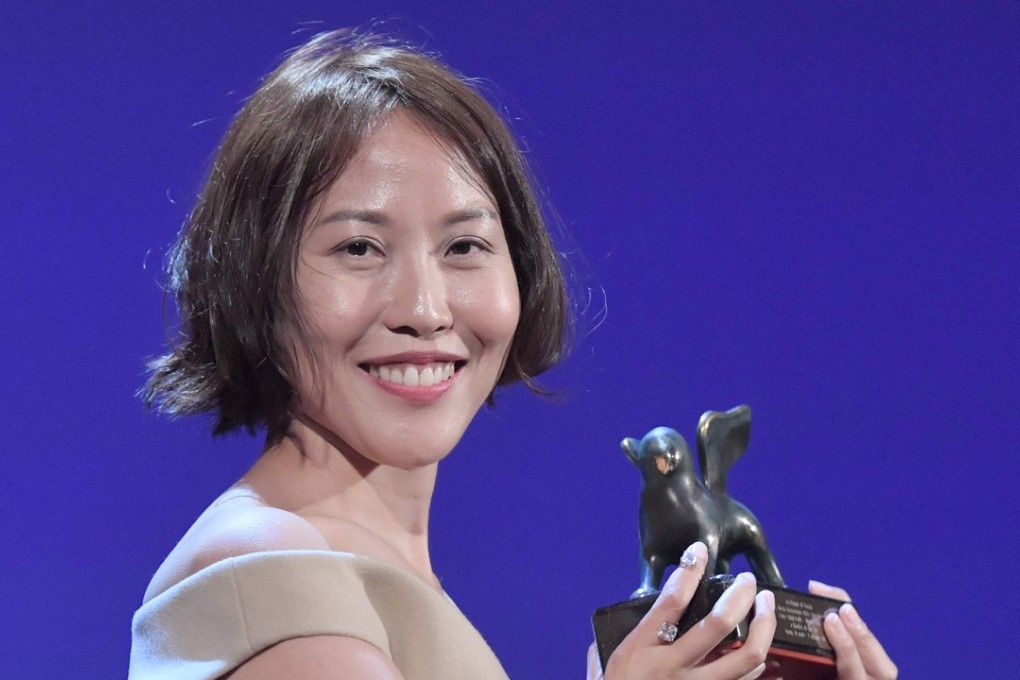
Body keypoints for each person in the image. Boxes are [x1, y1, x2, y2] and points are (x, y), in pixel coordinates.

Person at [129, 30, 896, 680]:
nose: (425, 310)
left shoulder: (371, 576)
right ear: (249, 278)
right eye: (359, 247)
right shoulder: (276, 576)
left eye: (465, 246)